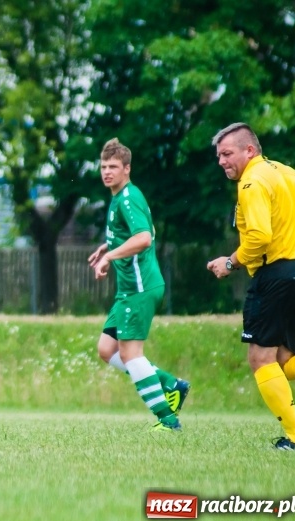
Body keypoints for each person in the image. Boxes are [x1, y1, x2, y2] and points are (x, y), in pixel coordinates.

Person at [207, 123, 295, 451]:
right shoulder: (290, 174)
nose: (222, 161)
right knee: (281, 361)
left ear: (249, 150)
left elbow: (259, 237)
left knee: (260, 359)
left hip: (276, 275)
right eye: (219, 156)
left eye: (227, 153)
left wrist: (230, 262)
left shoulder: (252, 181)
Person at [88, 138, 189, 432]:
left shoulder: (129, 198)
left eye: (113, 167)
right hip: (128, 291)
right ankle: (171, 384)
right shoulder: (118, 197)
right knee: (107, 349)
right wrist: (105, 246)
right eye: (103, 166)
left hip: (140, 289)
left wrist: (110, 255)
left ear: (127, 169)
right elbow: (126, 234)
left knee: (132, 354)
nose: (107, 172)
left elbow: (143, 238)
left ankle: (168, 420)